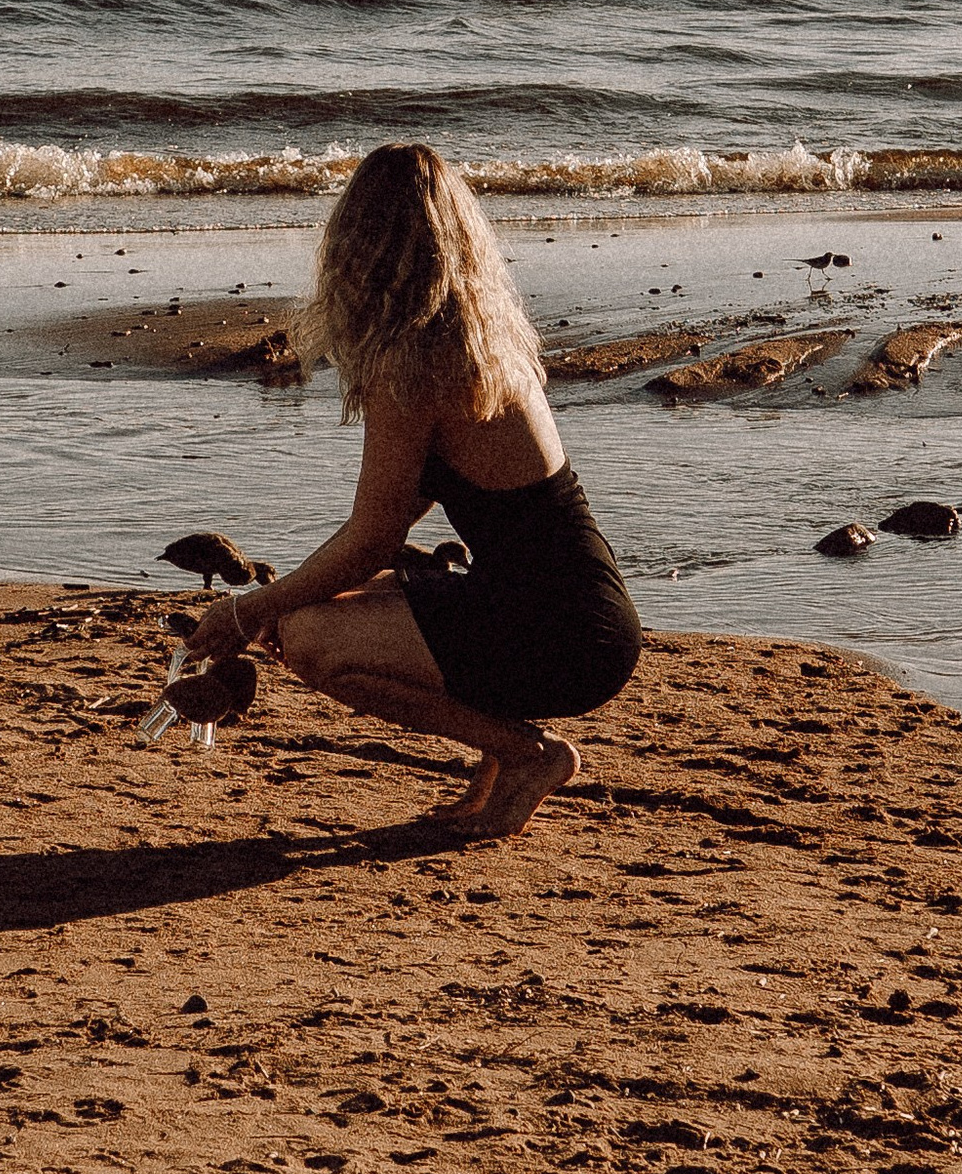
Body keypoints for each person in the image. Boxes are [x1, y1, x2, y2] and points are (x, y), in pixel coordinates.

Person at [188, 143, 641, 838]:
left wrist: (250, 612)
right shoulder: (481, 343)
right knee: (314, 609)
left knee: (311, 639)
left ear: (356, 243)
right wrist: (283, 598)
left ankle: (525, 752)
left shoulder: (413, 365)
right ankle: (504, 753)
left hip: (563, 635)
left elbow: (373, 537)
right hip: (576, 612)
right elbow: (391, 523)